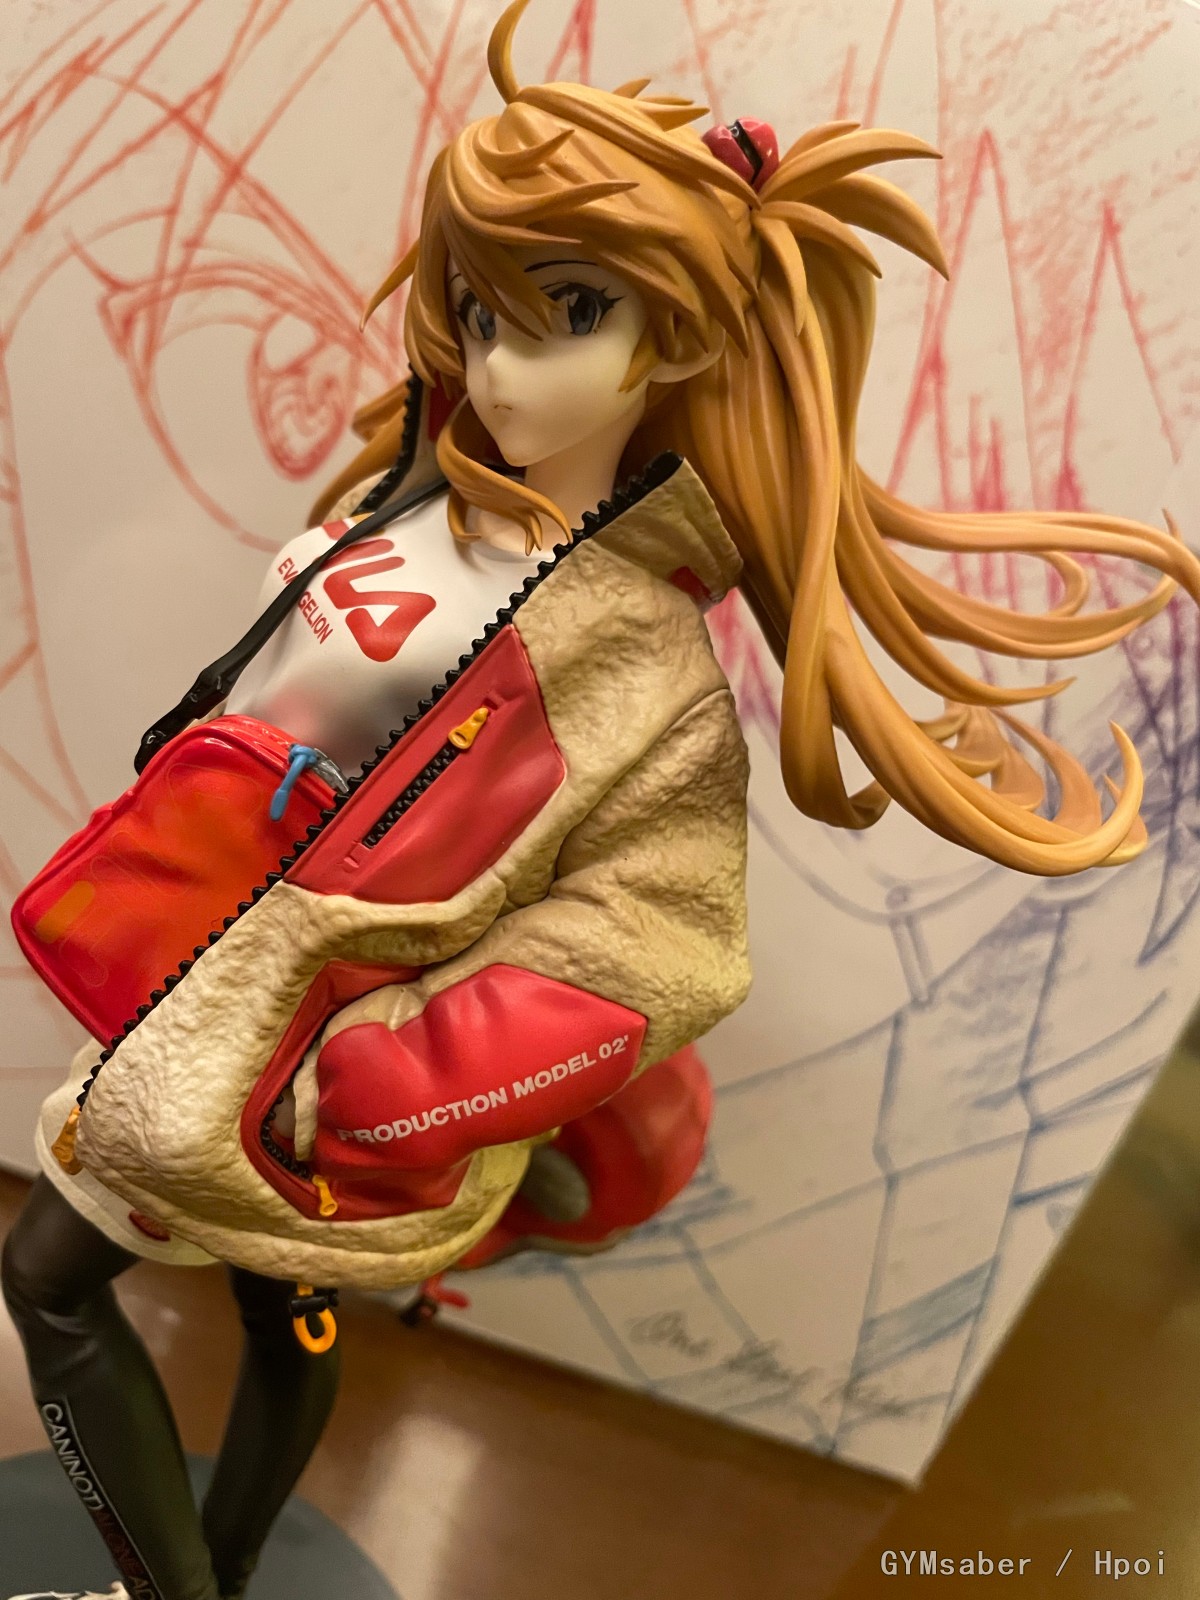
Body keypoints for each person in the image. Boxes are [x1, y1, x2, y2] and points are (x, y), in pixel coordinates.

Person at [5, 1, 1199, 1595]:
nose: (498, 361)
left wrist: (381, 1082)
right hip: (197, 988)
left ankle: (179, 1588)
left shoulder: (642, 669)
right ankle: (211, 1572)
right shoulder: (418, 496)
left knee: (59, 1283)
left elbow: (663, 945)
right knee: (280, 1313)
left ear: (683, 341)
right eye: (476, 308)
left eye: (563, 311)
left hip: (279, 1067)